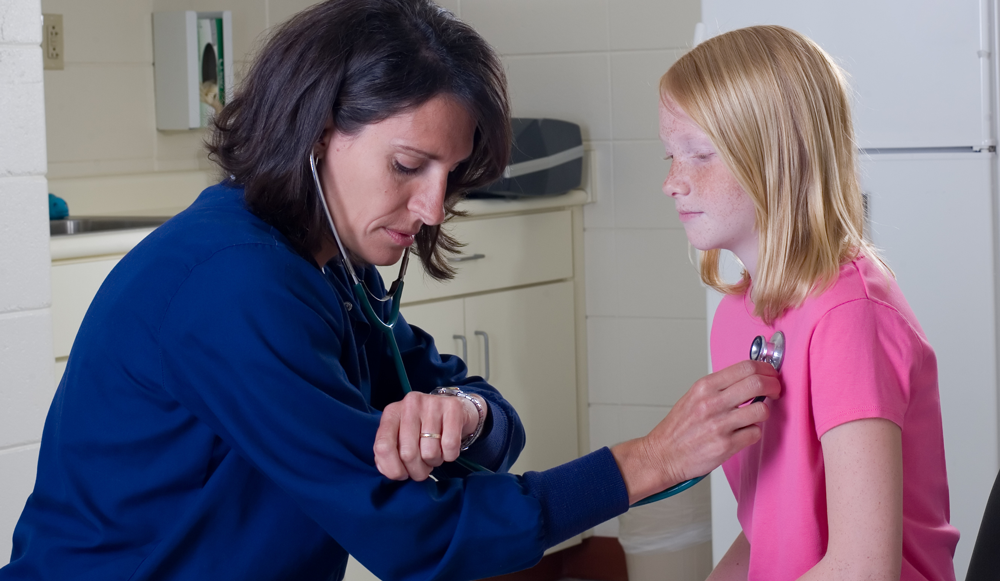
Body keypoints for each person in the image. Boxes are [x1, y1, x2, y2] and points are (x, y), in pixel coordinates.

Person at [0, 2, 781, 580]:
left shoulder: (330, 268)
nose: (435, 207)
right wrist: (647, 460)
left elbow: (480, 412)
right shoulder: (230, 285)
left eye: (451, 175)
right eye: (409, 167)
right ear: (315, 132)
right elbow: (414, 535)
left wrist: (461, 413)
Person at [658, 25, 959, 580]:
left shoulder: (850, 318)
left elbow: (863, 569)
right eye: (670, 154)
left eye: (700, 154)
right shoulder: (738, 318)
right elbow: (765, 533)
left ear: (780, 159)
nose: (672, 181)